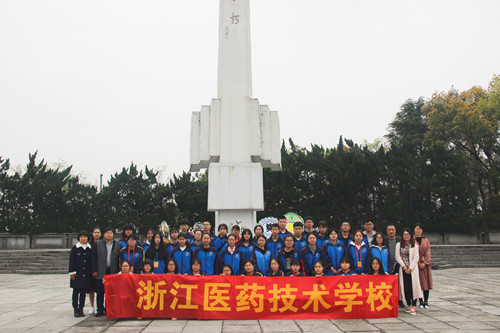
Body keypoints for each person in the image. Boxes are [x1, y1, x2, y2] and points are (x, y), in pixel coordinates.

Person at [92, 227, 122, 317]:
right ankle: (100, 309)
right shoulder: (98, 244)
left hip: (112, 271)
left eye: (111, 233)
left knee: (111, 292)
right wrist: (94, 270)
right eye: (107, 233)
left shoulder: (118, 245)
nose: (109, 234)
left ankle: (110, 309)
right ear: (104, 234)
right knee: (100, 291)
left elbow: (119, 259)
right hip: (101, 270)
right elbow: (93, 258)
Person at [396, 228, 423, 316]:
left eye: (407, 234)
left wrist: (410, 268)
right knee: (405, 287)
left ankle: (414, 305)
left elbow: (416, 258)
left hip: (412, 270)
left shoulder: (414, 245)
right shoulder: (399, 244)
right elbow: (397, 256)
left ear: (410, 236)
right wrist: (404, 266)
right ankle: (409, 304)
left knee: (413, 287)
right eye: (404, 234)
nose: (406, 236)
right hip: (403, 268)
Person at [68, 230, 92, 317]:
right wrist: (72, 272)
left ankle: (81, 308)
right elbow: (71, 261)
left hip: (86, 274)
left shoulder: (89, 248)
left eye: (85, 237)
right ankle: (75, 308)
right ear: (79, 238)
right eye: (81, 237)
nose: (83, 239)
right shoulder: (75, 248)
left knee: (83, 292)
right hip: (77, 274)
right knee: (76, 292)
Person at [414, 223, 433, 309]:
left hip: (425, 265)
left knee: (426, 283)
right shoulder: (412, 240)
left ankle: (426, 301)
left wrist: (424, 262)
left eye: (419, 229)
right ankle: (420, 300)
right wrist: (418, 263)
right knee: (419, 283)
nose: (418, 230)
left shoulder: (426, 240)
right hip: (416, 265)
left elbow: (428, 252)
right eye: (416, 228)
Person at [87, 226, 101, 315]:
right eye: (95, 232)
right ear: (92, 234)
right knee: (91, 289)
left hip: (100, 268)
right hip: (90, 269)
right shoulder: (89, 244)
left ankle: (100, 306)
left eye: (98, 232)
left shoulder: (102, 243)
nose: (97, 234)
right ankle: (92, 306)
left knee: (100, 290)